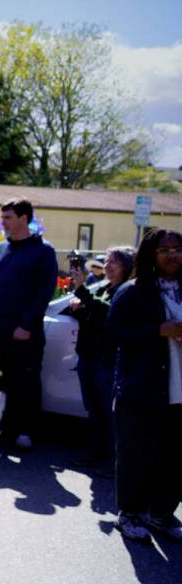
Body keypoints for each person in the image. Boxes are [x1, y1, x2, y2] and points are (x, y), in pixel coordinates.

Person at [106, 228, 182, 543]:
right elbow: (112, 335)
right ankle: (131, 513)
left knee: (175, 456)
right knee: (136, 455)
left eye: (177, 248)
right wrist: (158, 330)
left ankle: (161, 512)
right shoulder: (133, 291)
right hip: (142, 388)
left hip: (178, 391)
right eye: (164, 249)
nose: (172, 254)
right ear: (150, 254)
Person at [0, 198, 58, 450]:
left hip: (25, 333)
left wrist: (26, 325)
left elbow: (44, 293)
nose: (2, 223)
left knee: (26, 382)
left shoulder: (43, 251)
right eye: (2, 218)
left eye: (7, 217)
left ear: (24, 219)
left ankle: (25, 431)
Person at [67, 246, 135, 477]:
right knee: (94, 411)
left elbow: (109, 312)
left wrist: (83, 292)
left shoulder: (126, 291)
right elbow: (94, 315)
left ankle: (114, 462)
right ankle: (94, 454)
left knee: (111, 414)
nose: (106, 266)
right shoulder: (106, 288)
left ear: (126, 266)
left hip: (107, 360)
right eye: (106, 261)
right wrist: (79, 308)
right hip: (88, 357)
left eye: (112, 262)